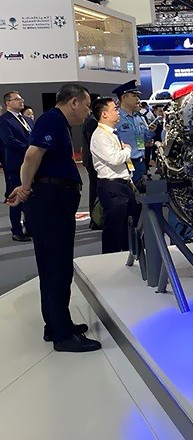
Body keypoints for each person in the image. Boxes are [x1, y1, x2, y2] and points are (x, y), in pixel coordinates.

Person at [6, 83, 100, 352]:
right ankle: (62, 335)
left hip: (54, 199)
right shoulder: (51, 120)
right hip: (50, 200)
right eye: (86, 105)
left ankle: (57, 324)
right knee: (56, 267)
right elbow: (32, 155)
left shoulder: (56, 122)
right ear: (73, 102)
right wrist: (25, 187)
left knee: (55, 266)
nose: (87, 111)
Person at [90, 97, 140, 254]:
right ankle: (111, 260)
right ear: (104, 114)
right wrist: (127, 150)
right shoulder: (100, 136)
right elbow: (114, 159)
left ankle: (129, 256)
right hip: (112, 186)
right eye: (114, 109)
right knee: (114, 230)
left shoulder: (112, 133)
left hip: (122, 184)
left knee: (127, 229)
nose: (118, 112)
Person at [0, 91, 34, 242]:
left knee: (30, 197)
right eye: (17, 99)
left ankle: (30, 227)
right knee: (16, 198)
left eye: (21, 99)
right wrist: (30, 149)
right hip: (15, 165)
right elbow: (9, 141)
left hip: (31, 164)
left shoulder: (27, 120)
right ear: (8, 103)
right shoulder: (4, 120)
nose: (21, 101)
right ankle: (17, 230)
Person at [114, 80, 153, 184]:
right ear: (124, 97)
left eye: (138, 96)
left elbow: (144, 139)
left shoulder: (139, 118)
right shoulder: (116, 119)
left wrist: (150, 132)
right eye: (134, 96)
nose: (137, 99)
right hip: (125, 164)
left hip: (141, 162)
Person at [82, 111, 102, 230]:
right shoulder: (92, 121)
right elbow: (93, 143)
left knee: (95, 188)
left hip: (91, 161)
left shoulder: (90, 120)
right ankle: (95, 219)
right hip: (93, 161)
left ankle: (95, 218)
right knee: (95, 189)